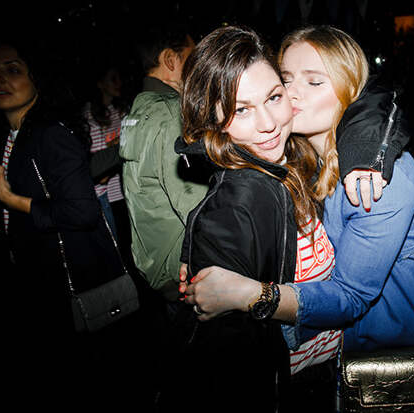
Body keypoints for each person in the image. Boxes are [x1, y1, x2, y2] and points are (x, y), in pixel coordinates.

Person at [181, 25, 414, 412]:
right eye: (286, 80)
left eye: (314, 81)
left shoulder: (379, 179)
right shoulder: (301, 159)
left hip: (391, 361)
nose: (293, 94)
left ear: (351, 92)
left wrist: (249, 294)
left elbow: (351, 297)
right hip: (335, 365)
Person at [159, 25, 324, 412]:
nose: (267, 123)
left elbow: (363, 95)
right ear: (212, 121)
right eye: (241, 110)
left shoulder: (292, 161)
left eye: (273, 97)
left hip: (318, 375)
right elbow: (232, 363)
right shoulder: (239, 202)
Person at [0, 39, 138, 410]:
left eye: (12, 69)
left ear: (36, 77)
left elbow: (82, 212)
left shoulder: (48, 133)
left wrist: (10, 199)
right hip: (35, 272)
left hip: (66, 278)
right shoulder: (6, 136)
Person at [120, 24, 206, 303]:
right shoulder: (171, 112)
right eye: (193, 57)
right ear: (171, 60)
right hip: (185, 270)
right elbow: (198, 211)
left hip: (155, 263)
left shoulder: (138, 110)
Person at [83, 63, 128, 242]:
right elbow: (100, 171)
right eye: (112, 79)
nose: (118, 83)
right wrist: (118, 147)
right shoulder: (90, 117)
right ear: (100, 84)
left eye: (119, 78)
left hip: (126, 190)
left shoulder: (120, 110)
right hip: (107, 196)